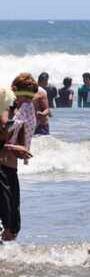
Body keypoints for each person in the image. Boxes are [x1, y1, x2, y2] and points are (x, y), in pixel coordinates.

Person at [0, 86, 32, 242]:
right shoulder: (5, 114)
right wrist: (10, 147)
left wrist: (20, 151)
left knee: (13, 225)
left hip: (11, 169)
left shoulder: (19, 119)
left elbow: (20, 145)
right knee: (6, 218)